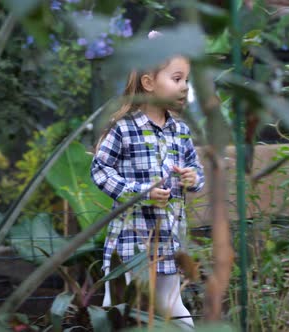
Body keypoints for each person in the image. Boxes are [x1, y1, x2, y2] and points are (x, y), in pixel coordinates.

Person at [90, 31, 204, 329]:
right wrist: (140, 193)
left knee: (173, 310)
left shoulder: (180, 131)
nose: (184, 87)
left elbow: (196, 170)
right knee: (124, 311)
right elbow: (100, 170)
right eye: (177, 79)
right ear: (149, 83)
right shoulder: (123, 128)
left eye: (186, 80)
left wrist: (193, 178)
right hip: (132, 244)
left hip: (168, 241)